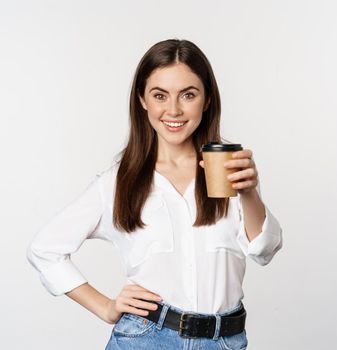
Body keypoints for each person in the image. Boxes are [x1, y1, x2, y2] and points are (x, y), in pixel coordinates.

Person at [26, 38, 283, 350]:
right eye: (160, 95)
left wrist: (250, 193)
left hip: (224, 340)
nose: (173, 110)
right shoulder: (119, 182)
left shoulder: (229, 170)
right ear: (143, 100)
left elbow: (264, 250)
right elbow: (44, 250)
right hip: (146, 338)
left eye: (188, 94)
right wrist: (106, 307)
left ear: (207, 99)